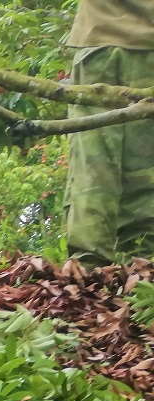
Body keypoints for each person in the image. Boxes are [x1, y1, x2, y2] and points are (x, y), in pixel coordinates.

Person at [64, 0, 154, 267]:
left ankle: (88, 265)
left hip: (100, 39)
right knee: (147, 167)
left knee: (94, 161)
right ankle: (145, 262)